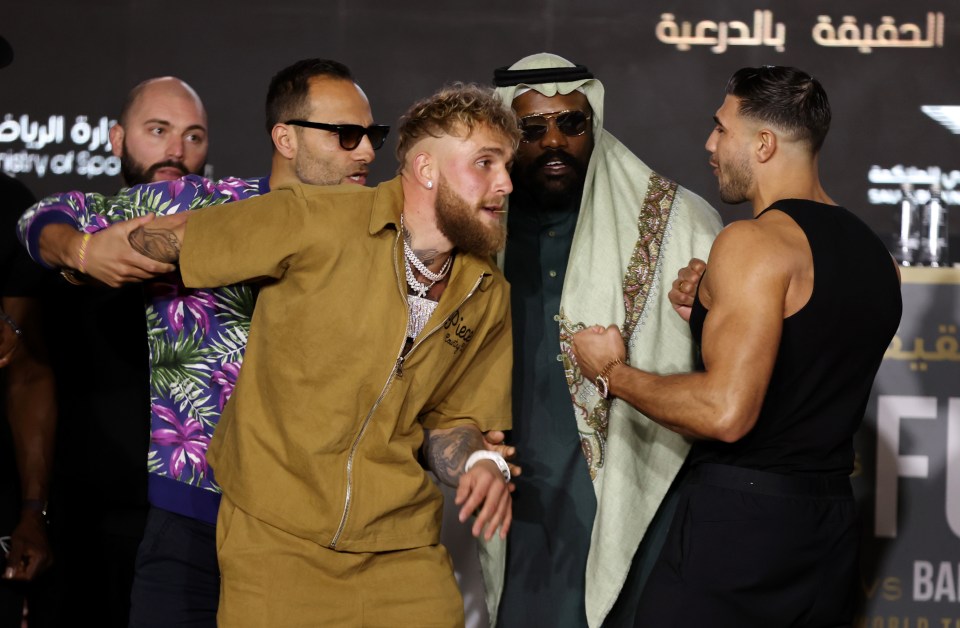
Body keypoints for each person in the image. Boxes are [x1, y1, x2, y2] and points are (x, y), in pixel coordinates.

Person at [123, 82, 518, 626]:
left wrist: (477, 462)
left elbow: (455, 421)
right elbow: (172, 240)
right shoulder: (317, 217)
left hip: (402, 550)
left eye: (506, 165)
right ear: (427, 169)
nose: (506, 183)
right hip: (276, 540)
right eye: (486, 163)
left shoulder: (487, 290)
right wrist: (80, 252)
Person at [17, 59, 387, 627]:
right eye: (347, 135)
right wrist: (83, 252)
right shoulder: (202, 206)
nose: (365, 152)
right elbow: (45, 216)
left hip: (310, 529)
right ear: (285, 137)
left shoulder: (382, 236)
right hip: (189, 519)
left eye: (371, 136)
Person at [572, 65, 902, 627]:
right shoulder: (879, 259)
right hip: (826, 532)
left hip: (740, 529)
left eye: (722, 129)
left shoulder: (752, 242)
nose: (710, 143)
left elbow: (725, 413)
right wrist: (703, 313)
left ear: (765, 143)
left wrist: (611, 372)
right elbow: (806, 356)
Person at [487, 52, 722, 627]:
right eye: (532, 129)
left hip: (632, 484)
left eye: (572, 123)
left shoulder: (678, 222)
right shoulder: (471, 228)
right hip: (512, 490)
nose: (555, 142)